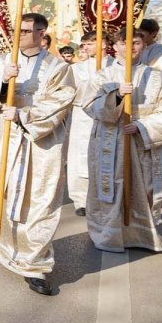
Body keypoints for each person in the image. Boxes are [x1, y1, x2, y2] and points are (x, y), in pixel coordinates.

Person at [0, 13, 75, 296]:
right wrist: (2, 81)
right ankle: (5, 246)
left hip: (39, 143)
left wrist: (23, 114)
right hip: (4, 139)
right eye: (19, 29)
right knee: (4, 196)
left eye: (28, 30)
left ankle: (36, 265)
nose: (22, 34)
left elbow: (62, 101)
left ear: (42, 33)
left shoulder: (57, 67)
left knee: (39, 200)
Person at [81, 30, 162, 253]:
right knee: (110, 187)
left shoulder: (159, 77)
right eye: (124, 43)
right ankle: (109, 234)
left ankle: (141, 233)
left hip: (141, 140)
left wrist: (142, 126)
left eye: (136, 42)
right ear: (115, 47)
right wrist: (115, 95)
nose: (131, 47)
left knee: (143, 186)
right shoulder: (102, 76)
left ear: (143, 46)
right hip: (110, 138)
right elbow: (89, 105)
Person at [64, 31, 112, 216]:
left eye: (90, 44)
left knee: (104, 154)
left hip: (107, 115)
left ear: (104, 44)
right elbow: (70, 92)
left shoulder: (115, 67)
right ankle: (80, 199)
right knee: (79, 156)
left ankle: (104, 195)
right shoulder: (77, 69)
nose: (85, 48)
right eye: (84, 45)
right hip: (82, 115)